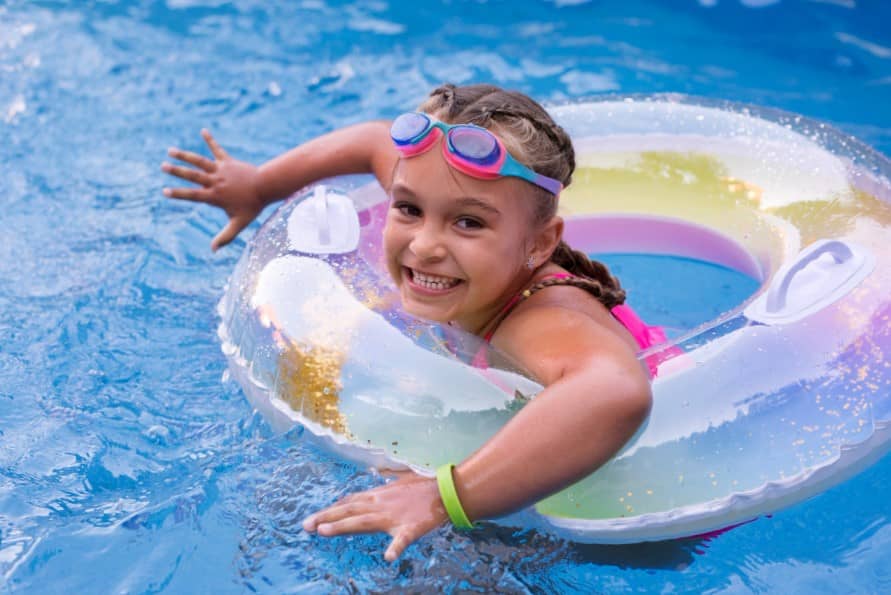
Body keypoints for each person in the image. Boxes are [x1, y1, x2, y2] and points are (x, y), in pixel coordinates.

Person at [162, 83, 654, 561]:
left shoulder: (540, 321)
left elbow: (617, 392)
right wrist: (259, 186)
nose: (423, 245)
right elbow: (372, 140)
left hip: (630, 517)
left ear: (541, 244)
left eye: (469, 223)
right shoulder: (433, 180)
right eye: (409, 209)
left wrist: (442, 498)